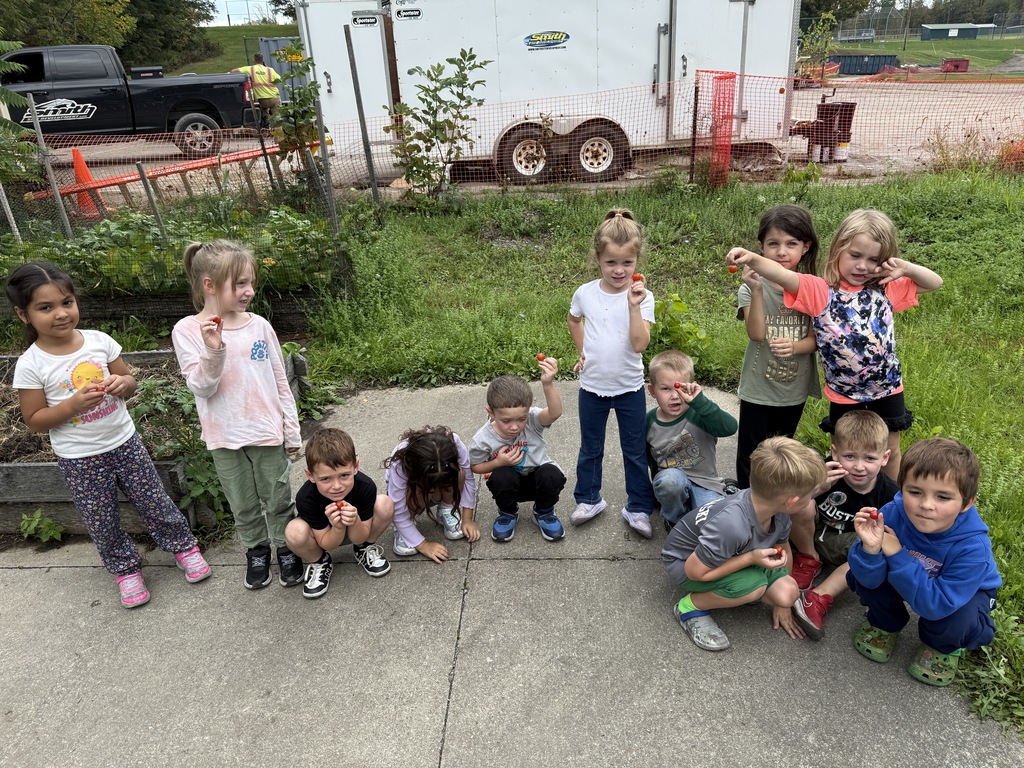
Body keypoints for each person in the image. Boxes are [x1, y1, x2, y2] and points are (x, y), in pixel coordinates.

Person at [6, 261, 211, 608]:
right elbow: (35, 420)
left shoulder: (99, 342)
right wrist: (71, 405)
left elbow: (129, 382)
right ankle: (125, 568)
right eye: (45, 307)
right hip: (79, 457)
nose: (60, 313)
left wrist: (122, 383)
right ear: (23, 314)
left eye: (67, 302)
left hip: (124, 441)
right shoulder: (31, 364)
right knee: (101, 518)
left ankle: (184, 547)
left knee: (154, 501)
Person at [727, 208, 943, 481]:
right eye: (855, 256)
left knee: (890, 449)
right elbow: (783, 276)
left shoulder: (887, 288)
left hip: (886, 387)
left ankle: (889, 502)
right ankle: (844, 501)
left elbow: (935, 282)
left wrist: (907, 268)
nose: (863, 266)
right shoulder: (820, 290)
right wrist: (752, 258)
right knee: (845, 452)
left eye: (873, 259)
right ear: (838, 249)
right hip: (844, 393)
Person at [171, 239, 302, 591]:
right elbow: (201, 387)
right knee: (241, 502)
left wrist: (292, 430)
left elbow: (279, 381)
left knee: (278, 497)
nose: (249, 291)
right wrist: (214, 350)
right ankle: (256, 550)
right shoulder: (187, 331)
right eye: (240, 283)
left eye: (251, 282)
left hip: (266, 430)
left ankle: (286, 547)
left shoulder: (259, 325)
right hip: (224, 436)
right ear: (209, 285)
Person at [846, 438, 1000, 686]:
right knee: (861, 572)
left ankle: (943, 646)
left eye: (943, 497)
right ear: (901, 487)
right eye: (915, 492)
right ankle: (886, 622)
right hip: (913, 576)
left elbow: (937, 605)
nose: (926, 505)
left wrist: (897, 555)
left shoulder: (972, 547)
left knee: (957, 619)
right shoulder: (893, 513)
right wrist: (870, 549)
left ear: (967, 502)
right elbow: (866, 578)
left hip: (961, 594)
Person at [661, 437, 826, 651]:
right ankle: (690, 607)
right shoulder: (732, 526)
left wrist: (782, 604)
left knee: (788, 593)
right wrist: (749, 558)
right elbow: (694, 572)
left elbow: (783, 548)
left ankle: (741, 586)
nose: (812, 499)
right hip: (686, 563)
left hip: (731, 553)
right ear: (791, 501)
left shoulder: (779, 512)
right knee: (753, 587)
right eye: (810, 495)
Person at [567, 208, 657, 537]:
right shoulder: (585, 293)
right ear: (598, 259)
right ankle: (589, 499)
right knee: (591, 447)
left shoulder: (643, 297)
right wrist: (582, 350)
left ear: (637, 262)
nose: (619, 271)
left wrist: (634, 305)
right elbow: (574, 319)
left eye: (627, 263)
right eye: (611, 263)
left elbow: (638, 345)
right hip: (591, 387)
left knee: (634, 450)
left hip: (630, 388)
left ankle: (638, 507)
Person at [788, 410, 898, 639]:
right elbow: (788, 503)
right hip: (809, 534)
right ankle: (809, 559)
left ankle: (816, 598)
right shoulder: (825, 471)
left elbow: (889, 534)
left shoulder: (888, 493)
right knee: (802, 504)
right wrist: (817, 488)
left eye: (869, 458)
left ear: (884, 458)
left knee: (874, 548)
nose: (859, 466)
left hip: (848, 546)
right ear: (835, 452)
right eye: (850, 456)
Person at [733, 204, 821, 489]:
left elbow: (817, 340)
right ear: (760, 247)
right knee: (751, 453)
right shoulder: (750, 286)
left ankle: (773, 502)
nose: (782, 251)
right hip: (758, 388)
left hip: (793, 389)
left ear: (805, 247)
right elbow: (756, 334)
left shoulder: (812, 288)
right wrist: (757, 290)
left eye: (791, 243)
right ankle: (745, 505)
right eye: (773, 243)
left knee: (782, 453)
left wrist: (795, 347)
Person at [285, 428, 395, 599]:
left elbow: (359, 535)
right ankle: (320, 561)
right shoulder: (306, 498)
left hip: (358, 532)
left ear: (356, 467)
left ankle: (364, 548)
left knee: (385, 504)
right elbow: (328, 544)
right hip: (323, 537)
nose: (337, 486)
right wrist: (337, 527)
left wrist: (356, 520)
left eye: (344, 475)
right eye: (325, 479)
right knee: (294, 532)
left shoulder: (365, 487)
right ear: (310, 475)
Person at [468, 361, 567, 543]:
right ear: (491, 413)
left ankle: (544, 512)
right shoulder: (482, 439)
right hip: (510, 483)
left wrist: (548, 384)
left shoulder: (532, 420)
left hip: (538, 479)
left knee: (552, 474)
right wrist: (498, 463)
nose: (514, 426)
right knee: (500, 476)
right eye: (506, 421)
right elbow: (474, 466)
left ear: (528, 410)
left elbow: (555, 413)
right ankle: (507, 512)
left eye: (521, 418)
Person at [645, 349, 737, 532]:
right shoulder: (649, 422)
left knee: (715, 526)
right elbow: (650, 461)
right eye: (665, 389)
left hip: (705, 483)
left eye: (680, 388)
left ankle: (722, 492)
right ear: (652, 391)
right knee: (670, 481)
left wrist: (700, 402)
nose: (674, 395)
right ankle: (674, 519)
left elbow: (730, 427)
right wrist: (658, 493)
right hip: (672, 482)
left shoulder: (700, 414)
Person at [384, 425, 479, 563]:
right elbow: (397, 505)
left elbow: (469, 478)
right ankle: (405, 527)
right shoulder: (401, 462)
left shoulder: (454, 442)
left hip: (430, 482)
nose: (436, 489)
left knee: (460, 472)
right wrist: (422, 545)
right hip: (413, 492)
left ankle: (447, 509)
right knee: (412, 490)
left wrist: (467, 519)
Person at [231, 53, 282, 128]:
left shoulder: (250, 69)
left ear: (254, 60)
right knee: (277, 119)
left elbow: (233, 71)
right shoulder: (270, 70)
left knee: (264, 110)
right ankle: (278, 136)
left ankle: (266, 124)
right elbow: (279, 79)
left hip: (263, 99)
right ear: (263, 60)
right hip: (275, 98)